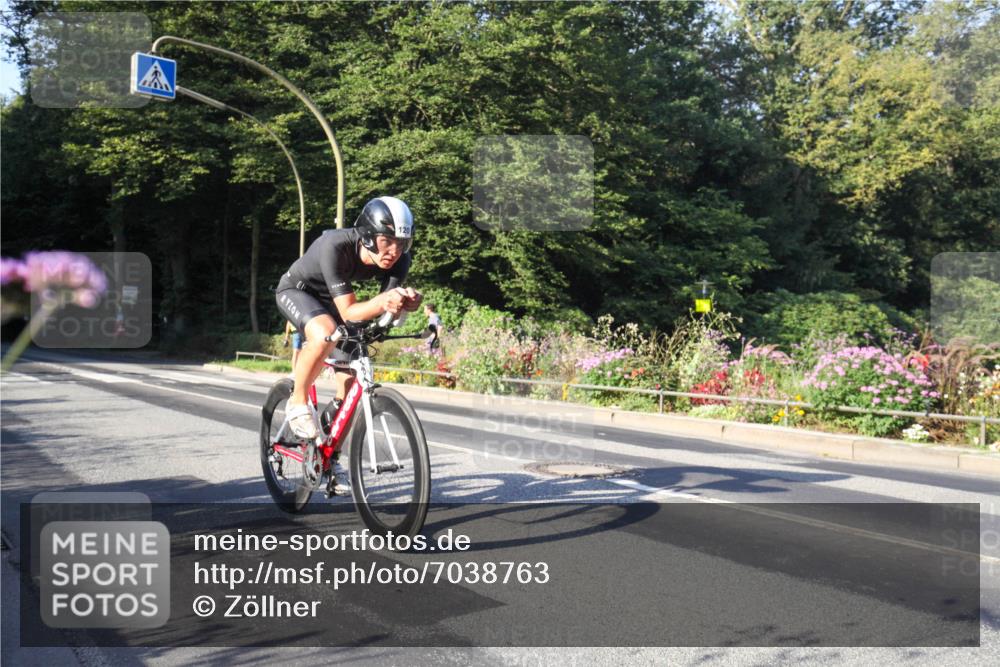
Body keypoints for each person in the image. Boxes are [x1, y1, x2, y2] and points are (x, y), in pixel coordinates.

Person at [275, 196, 423, 452]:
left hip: (336, 300)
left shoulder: (400, 260)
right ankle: (297, 400)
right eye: (386, 241)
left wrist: (402, 305)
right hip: (298, 291)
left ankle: (330, 456)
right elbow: (350, 311)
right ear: (367, 236)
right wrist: (384, 300)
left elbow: (381, 313)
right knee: (324, 333)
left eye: (402, 244)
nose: (394, 252)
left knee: (352, 381)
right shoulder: (334, 245)